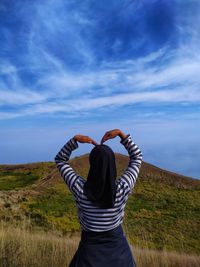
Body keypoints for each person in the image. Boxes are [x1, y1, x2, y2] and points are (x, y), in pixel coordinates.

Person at [54, 129, 143, 267]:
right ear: (112, 164)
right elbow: (137, 157)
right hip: (119, 253)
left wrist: (75, 140)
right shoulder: (122, 189)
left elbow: (60, 160)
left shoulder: (80, 190)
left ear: (92, 163)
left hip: (89, 253)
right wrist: (121, 134)